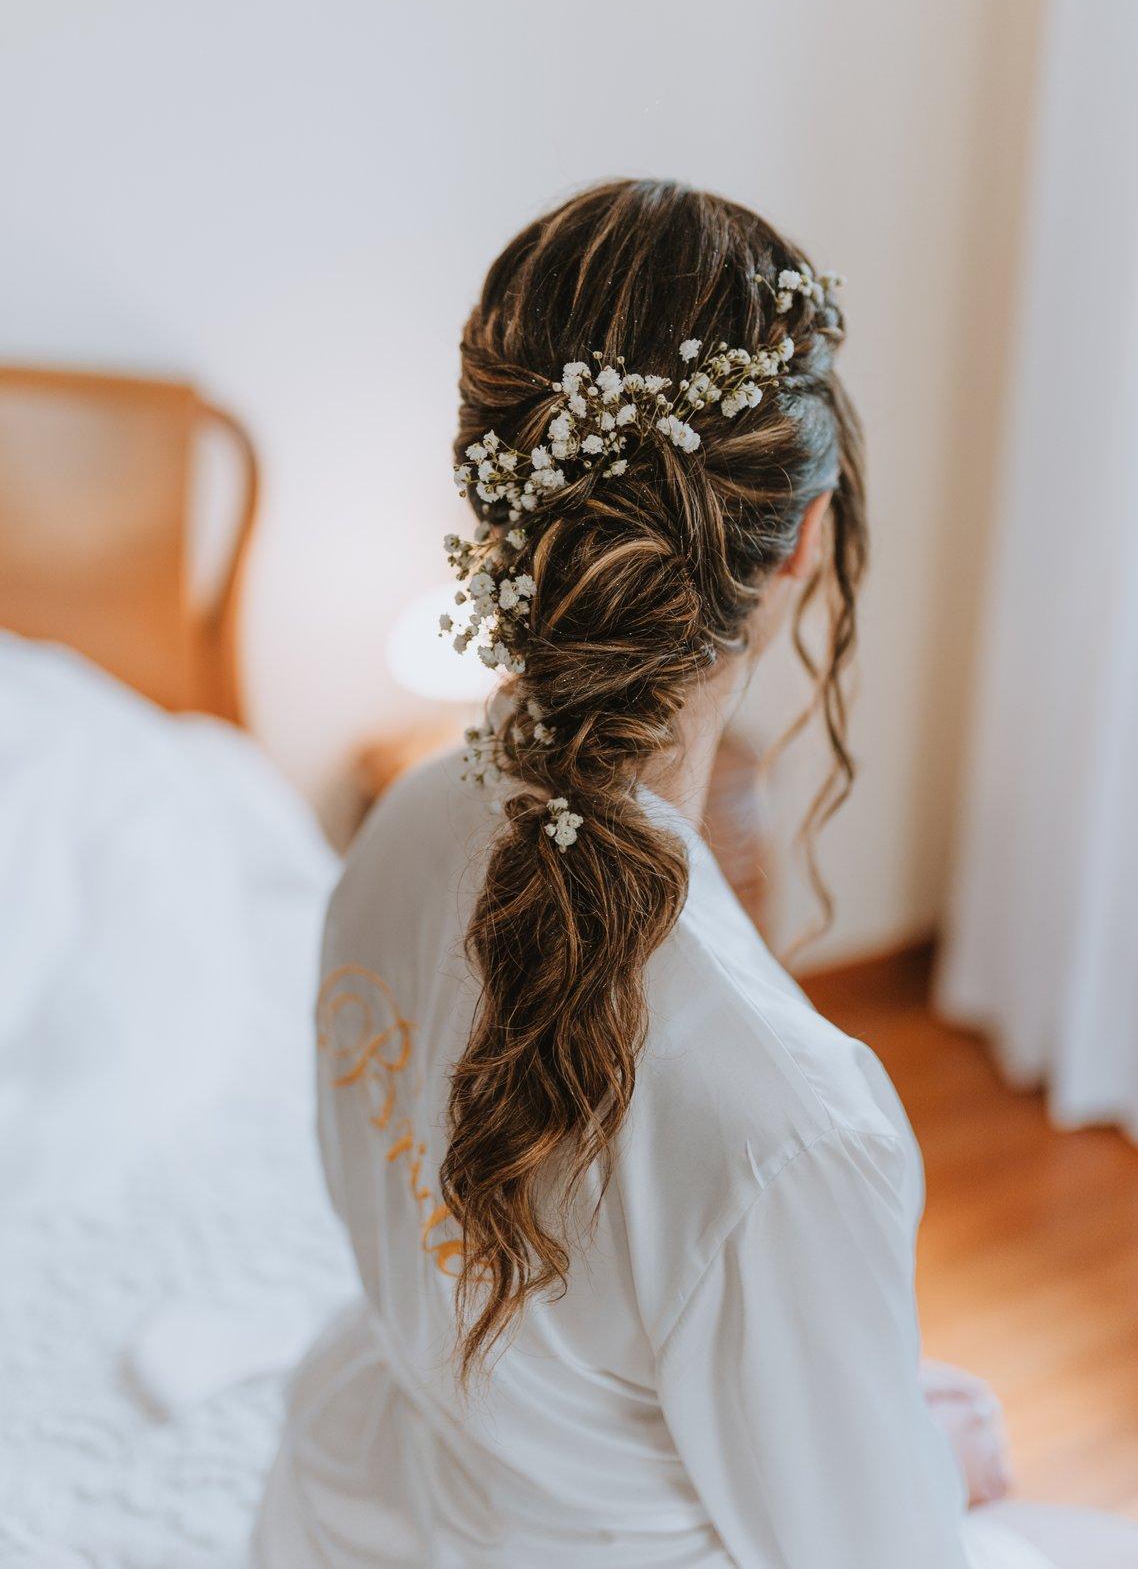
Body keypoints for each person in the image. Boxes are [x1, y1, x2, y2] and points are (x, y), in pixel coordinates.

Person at [255, 181, 1138, 1567]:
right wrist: (910, 1454)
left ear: (497, 497)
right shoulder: (784, 1124)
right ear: (798, 539)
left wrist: (870, 1411)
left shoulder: (399, 828)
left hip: (361, 1509)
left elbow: (568, 1331)